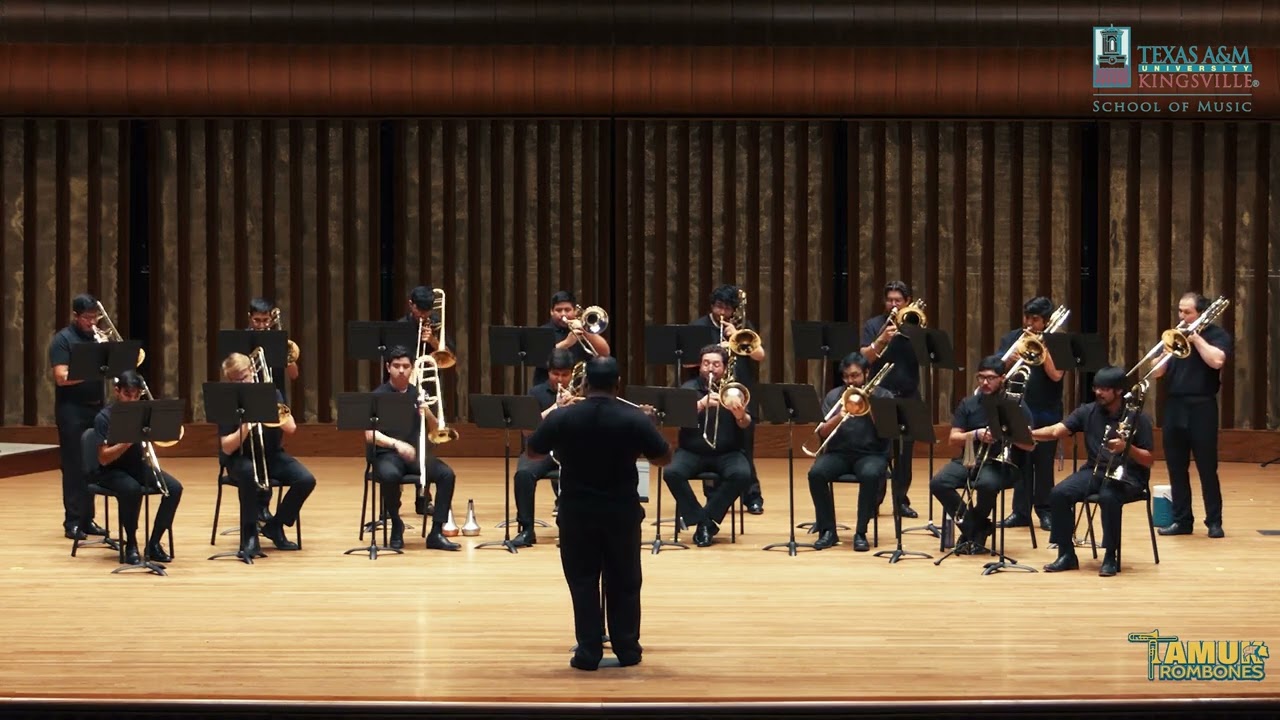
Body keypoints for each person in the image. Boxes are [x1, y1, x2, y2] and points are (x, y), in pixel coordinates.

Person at [526, 357, 671, 671]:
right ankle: (628, 649)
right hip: (621, 512)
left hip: (577, 512)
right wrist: (648, 429)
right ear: (617, 383)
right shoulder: (634, 418)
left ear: (585, 383)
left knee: (583, 582)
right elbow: (664, 459)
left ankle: (589, 652)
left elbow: (533, 451)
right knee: (625, 582)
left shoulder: (564, 416)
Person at [1032, 366, 1155, 577]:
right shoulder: (1087, 411)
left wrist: (1127, 448)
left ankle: (1110, 555)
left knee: (1109, 497)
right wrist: (1028, 434)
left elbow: (1149, 460)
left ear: (1118, 391)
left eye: (1104, 389)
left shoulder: (1138, 418)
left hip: (1128, 476)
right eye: (1096, 387)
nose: (1098, 392)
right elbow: (1055, 431)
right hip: (1095, 470)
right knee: (1059, 493)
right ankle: (1066, 554)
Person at [927, 355, 1035, 553]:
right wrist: (976, 434)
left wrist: (1006, 435)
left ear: (1002, 378)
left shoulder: (1016, 405)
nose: (985, 382)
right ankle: (976, 528)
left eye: (991, 378)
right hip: (969, 459)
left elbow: (1030, 446)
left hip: (1001, 465)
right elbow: (953, 438)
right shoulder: (969, 404)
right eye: (981, 377)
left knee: (986, 484)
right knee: (938, 483)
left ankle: (972, 531)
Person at [219, 353, 316, 561]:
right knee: (248, 474)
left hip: (271, 454)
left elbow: (291, 428)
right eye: (235, 380)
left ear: (253, 372)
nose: (241, 383)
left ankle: (275, 525)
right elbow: (226, 447)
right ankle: (249, 536)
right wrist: (246, 425)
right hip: (240, 457)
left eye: (244, 377)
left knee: (306, 480)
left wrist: (267, 409)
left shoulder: (273, 393)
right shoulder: (226, 400)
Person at [1151, 292, 1231, 538]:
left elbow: (1217, 361)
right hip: (1175, 405)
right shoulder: (1174, 337)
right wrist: (1166, 352)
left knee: (1207, 468)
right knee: (1176, 467)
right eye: (1180, 311)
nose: (1182, 317)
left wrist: (1196, 339)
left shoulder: (1217, 336)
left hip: (1202, 407)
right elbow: (1156, 373)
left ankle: (1214, 521)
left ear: (1201, 313)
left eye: (1187, 312)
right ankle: (1182, 520)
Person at [365, 345, 460, 551]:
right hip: (386, 454)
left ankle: (436, 532)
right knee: (390, 477)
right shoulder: (378, 395)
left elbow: (435, 429)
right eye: (397, 366)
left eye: (406, 366)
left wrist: (427, 412)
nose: (401, 370)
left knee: (447, 475)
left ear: (411, 369)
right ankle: (396, 524)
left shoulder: (417, 393)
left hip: (415, 455)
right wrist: (396, 444)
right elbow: (370, 434)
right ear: (388, 367)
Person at [663, 344, 754, 547]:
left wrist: (740, 416)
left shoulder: (736, 390)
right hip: (692, 450)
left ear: (724, 367)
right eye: (706, 364)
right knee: (671, 473)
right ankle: (702, 520)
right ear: (700, 366)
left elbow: (748, 423)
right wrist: (700, 404)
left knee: (742, 474)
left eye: (715, 364)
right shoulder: (688, 388)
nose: (710, 369)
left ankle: (708, 520)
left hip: (727, 451)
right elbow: (675, 418)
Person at [93, 371, 184, 565]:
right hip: (111, 470)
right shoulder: (104, 417)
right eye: (128, 394)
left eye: (136, 395)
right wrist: (126, 442)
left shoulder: (144, 414)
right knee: (132, 489)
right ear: (117, 391)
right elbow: (103, 458)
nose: (133, 400)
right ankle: (131, 544)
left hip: (136, 465)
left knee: (174, 488)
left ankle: (154, 543)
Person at [691, 284, 767, 514]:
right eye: (718, 306)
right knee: (710, 443)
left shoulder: (743, 326)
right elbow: (686, 362)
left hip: (739, 392)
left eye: (727, 307)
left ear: (734, 309)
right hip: (709, 392)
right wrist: (715, 352)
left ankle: (752, 495)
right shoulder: (699, 327)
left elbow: (760, 354)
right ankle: (714, 496)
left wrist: (735, 338)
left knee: (744, 446)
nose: (722, 312)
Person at [807, 353, 891, 552]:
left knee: (870, 475)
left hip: (872, 454)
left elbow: (888, 431)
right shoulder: (835, 396)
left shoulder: (883, 396)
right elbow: (821, 432)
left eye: (855, 376)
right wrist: (840, 415)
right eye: (846, 377)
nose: (850, 381)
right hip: (839, 453)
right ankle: (828, 530)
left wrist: (868, 405)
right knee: (816, 474)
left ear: (867, 373)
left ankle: (861, 532)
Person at [997, 297, 1066, 531]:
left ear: (1046, 321)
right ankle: (1020, 511)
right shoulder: (1012, 338)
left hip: (1047, 409)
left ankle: (1045, 509)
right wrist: (1009, 359)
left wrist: (1042, 350)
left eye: (1035, 319)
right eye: (1027, 317)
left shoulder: (1057, 340)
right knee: (1020, 462)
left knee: (1043, 462)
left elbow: (1057, 375)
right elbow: (996, 371)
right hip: (1018, 408)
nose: (1029, 323)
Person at [49, 294, 110, 540]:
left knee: (92, 464)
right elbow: (61, 377)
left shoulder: (97, 338)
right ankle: (72, 521)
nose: (92, 321)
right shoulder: (63, 340)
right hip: (72, 410)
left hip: (96, 407)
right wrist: (93, 369)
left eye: (95, 316)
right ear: (75, 316)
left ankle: (87, 519)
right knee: (74, 465)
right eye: (87, 317)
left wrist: (108, 352)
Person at [859, 280, 921, 518]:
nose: (893, 305)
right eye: (890, 300)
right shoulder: (874, 324)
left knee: (905, 453)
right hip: (880, 395)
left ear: (907, 302)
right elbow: (865, 357)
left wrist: (913, 333)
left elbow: (926, 355)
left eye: (898, 300)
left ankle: (900, 501)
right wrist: (882, 339)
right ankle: (874, 501)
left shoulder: (915, 324)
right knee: (880, 450)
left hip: (908, 395)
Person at [511, 349, 579, 547]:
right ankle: (526, 530)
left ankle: (571, 529)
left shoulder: (583, 392)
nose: (560, 379)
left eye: (565, 374)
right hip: (541, 450)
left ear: (572, 373)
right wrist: (555, 409)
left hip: (572, 451)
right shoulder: (536, 393)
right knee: (523, 473)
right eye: (555, 374)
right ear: (548, 372)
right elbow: (526, 431)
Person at [531, 291, 611, 387]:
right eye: (558, 310)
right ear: (551, 312)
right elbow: (536, 359)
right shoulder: (543, 331)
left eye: (567, 310)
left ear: (575, 311)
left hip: (579, 389)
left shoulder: (583, 330)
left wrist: (585, 330)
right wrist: (566, 343)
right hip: (547, 389)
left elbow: (605, 353)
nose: (563, 314)